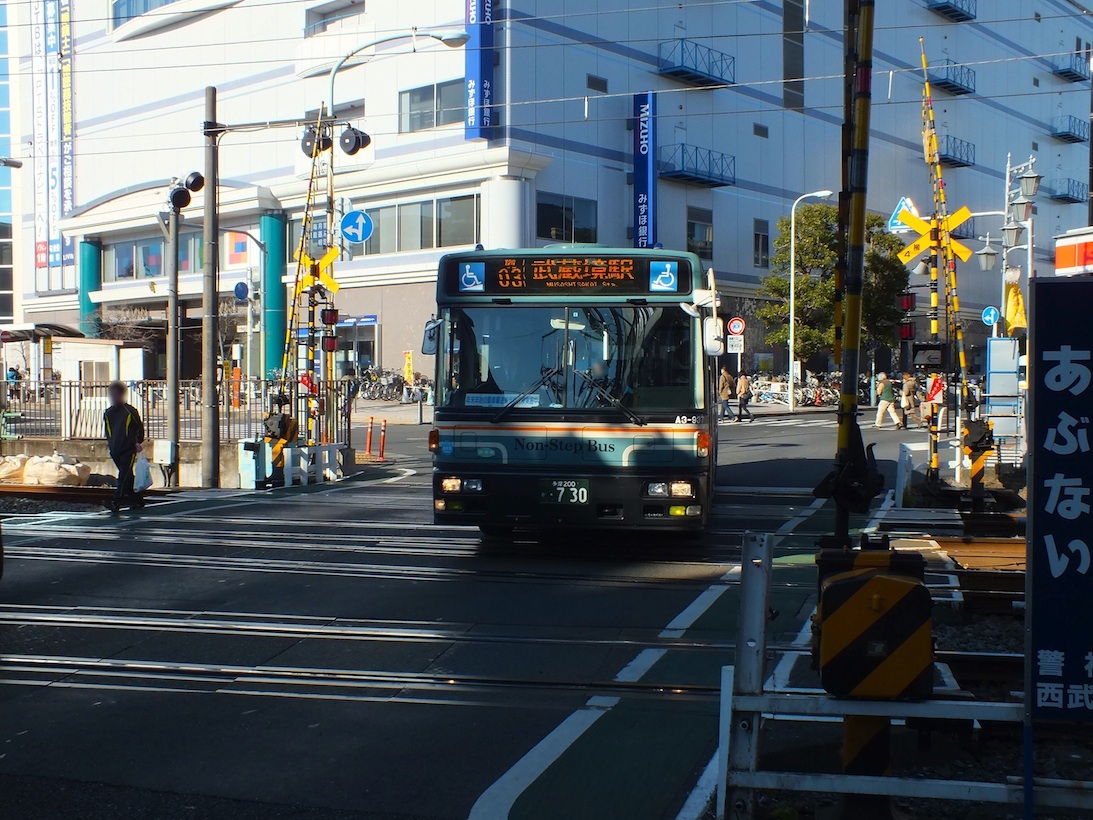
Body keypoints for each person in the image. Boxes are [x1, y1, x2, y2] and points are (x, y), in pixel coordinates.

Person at [103, 381, 146, 513]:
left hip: (129, 448)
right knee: (128, 476)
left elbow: (140, 428)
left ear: (122, 395)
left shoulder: (130, 411)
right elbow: (108, 431)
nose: (114, 397)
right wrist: (110, 444)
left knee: (123, 476)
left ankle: (116, 501)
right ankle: (137, 500)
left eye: (116, 394)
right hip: (115, 449)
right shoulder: (108, 413)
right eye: (112, 395)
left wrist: (138, 442)